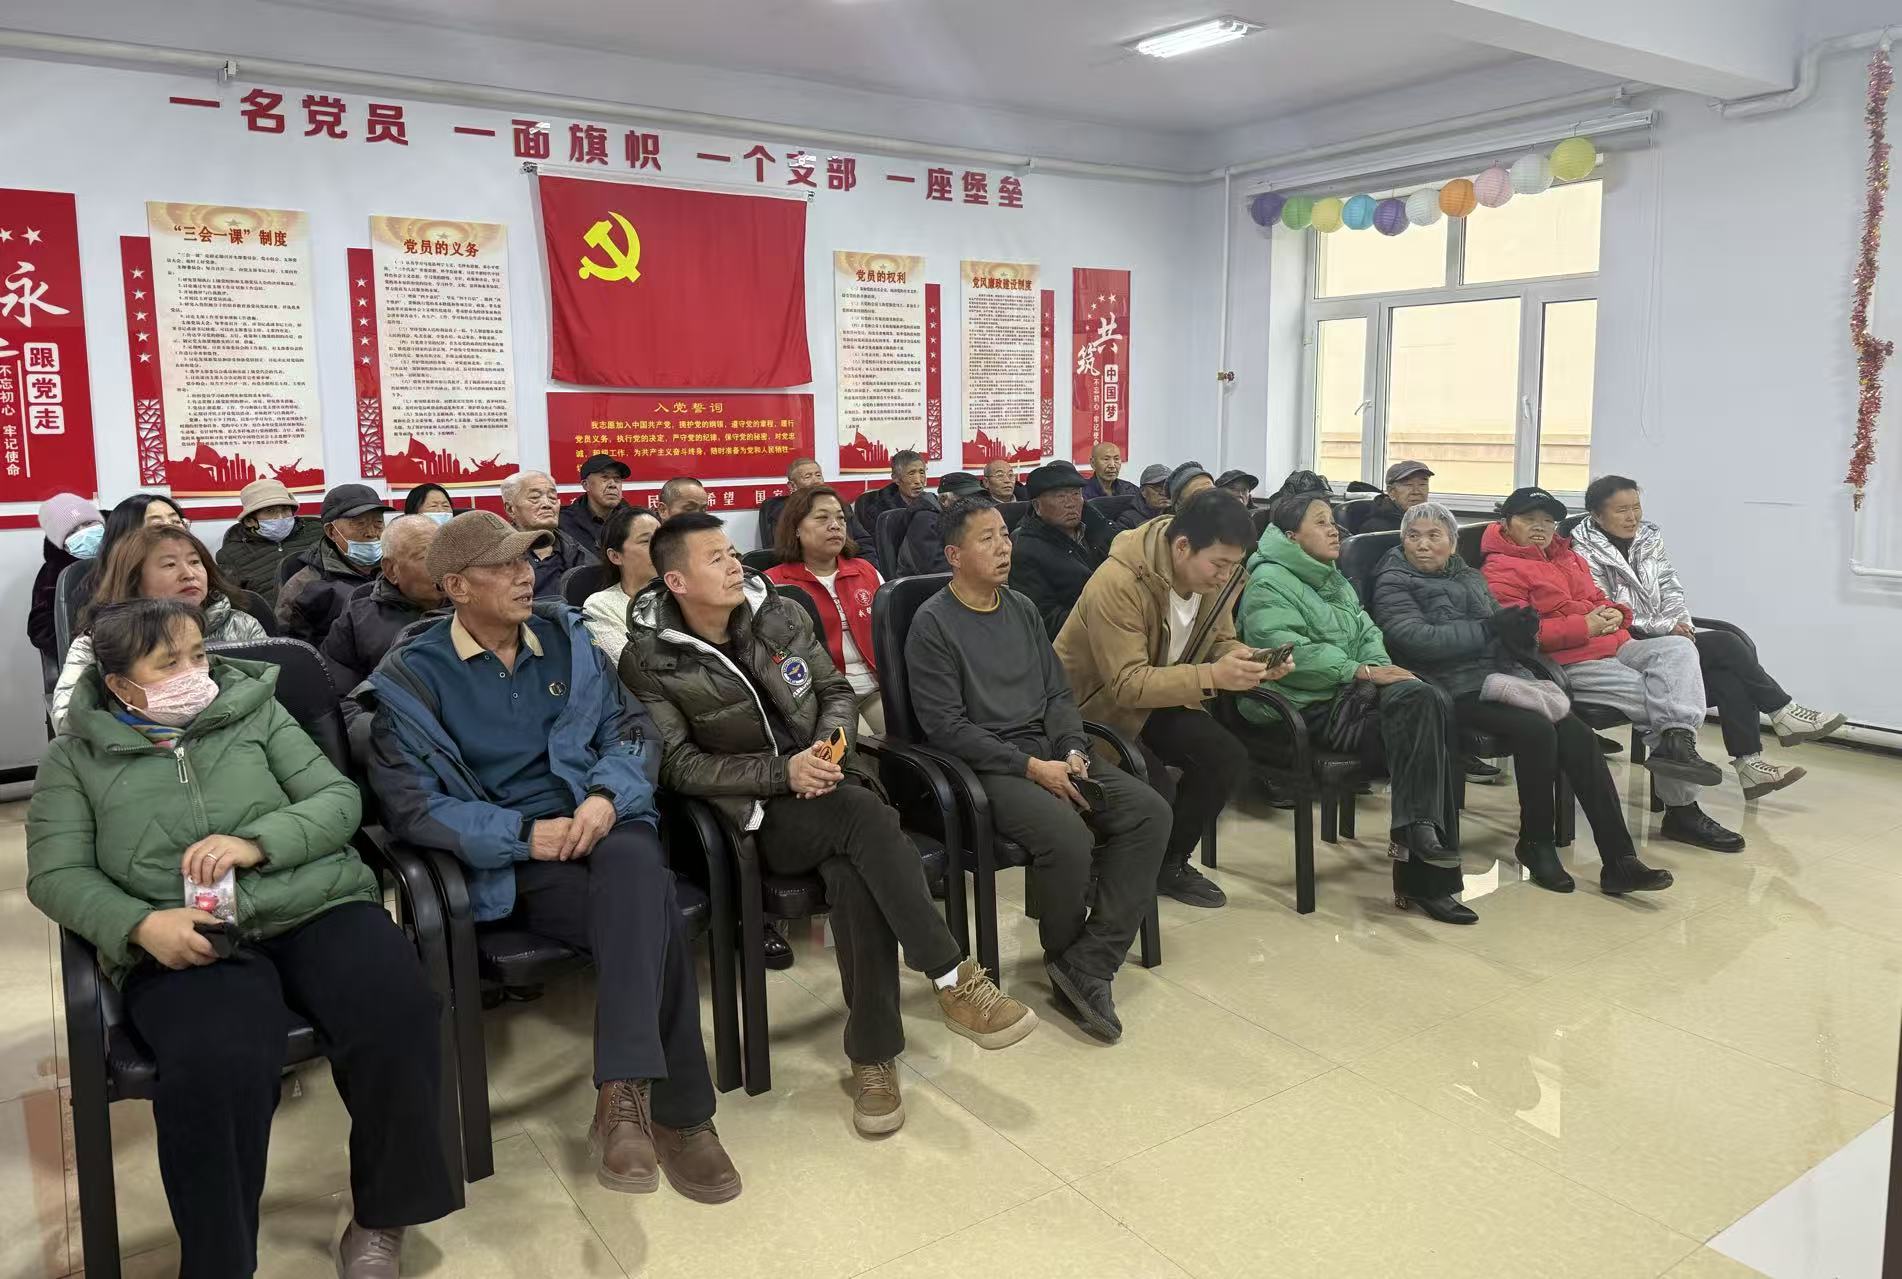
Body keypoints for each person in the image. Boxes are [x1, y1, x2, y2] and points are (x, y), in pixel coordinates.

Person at [29, 597, 459, 1277]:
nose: (194, 673)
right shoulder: (73, 758)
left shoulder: (254, 710)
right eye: (168, 663)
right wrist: (140, 924)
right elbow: (56, 874)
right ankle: (220, 1261)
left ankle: (385, 1215)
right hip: (184, 933)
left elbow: (337, 799)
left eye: (198, 654)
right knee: (217, 1062)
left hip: (312, 901)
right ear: (119, 685)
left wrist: (258, 842)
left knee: (397, 1011)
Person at [365, 511, 740, 1203]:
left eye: (526, 561)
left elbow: (632, 731)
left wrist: (604, 796)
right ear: (456, 586)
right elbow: (414, 807)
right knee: (651, 909)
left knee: (636, 868)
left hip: (605, 821)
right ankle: (683, 1115)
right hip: (518, 854)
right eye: (503, 566)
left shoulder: (568, 639)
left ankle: (623, 1094)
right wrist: (522, 835)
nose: (524, 576)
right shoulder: (412, 678)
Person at [621, 513, 1035, 1136]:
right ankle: (953, 976)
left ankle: (873, 1058)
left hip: (833, 781)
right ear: (676, 581)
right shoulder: (649, 660)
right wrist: (781, 773)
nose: (735, 565)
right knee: (864, 816)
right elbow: (677, 764)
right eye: (716, 558)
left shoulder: (778, 614)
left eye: (732, 552)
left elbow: (837, 691)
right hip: (758, 815)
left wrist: (827, 750)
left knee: (854, 873)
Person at [911, 500, 1170, 1039]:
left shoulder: (1022, 607)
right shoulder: (933, 623)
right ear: (954, 555)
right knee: (1068, 837)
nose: (1004, 547)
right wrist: (1032, 767)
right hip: (989, 766)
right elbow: (946, 727)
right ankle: (1066, 953)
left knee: (1150, 812)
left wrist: (1072, 749)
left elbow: (1057, 693)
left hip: (1052, 749)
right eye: (987, 539)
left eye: (1005, 535)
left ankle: (1089, 961)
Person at [1370, 503, 1674, 897]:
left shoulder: (1469, 576)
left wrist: (1519, 629)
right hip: (1449, 687)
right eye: (1413, 537)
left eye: (1433, 536)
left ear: (1453, 542)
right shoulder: (1394, 580)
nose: (1423, 545)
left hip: (1501, 678)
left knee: (1578, 735)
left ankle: (1620, 860)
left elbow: (1499, 622)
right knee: (1536, 730)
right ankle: (1536, 842)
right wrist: (1489, 630)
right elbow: (1414, 639)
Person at [1238, 493, 1470, 921]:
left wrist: (1378, 668)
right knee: (1427, 733)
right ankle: (1426, 874)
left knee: (1428, 699)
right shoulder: (1268, 581)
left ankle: (1418, 833)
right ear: (1290, 536)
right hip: (1304, 707)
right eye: (1321, 522)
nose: (1334, 530)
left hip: (1349, 696)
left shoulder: (1332, 577)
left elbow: (1367, 632)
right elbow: (1287, 653)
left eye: (1332, 521)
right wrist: (1359, 670)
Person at [1479, 486, 1743, 852]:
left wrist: (1618, 614)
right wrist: (1584, 626)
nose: (1540, 527)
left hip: (1616, 645)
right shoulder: (1499, 570)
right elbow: (1522, 637)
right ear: (1506, 523)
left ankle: (1677, 742)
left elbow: (1601, 598)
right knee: (1659, 701)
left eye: (1548, 521)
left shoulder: (1567, 556)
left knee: (1679, 648)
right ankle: (1683, 811)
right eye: (1529, 519)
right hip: (1569, 661)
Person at [1057, 490, 1278, 909]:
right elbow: (1126, 684)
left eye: (1233, 565)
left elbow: (1218, 640)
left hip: (1160, 693)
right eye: (1219, 564)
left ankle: (1169, 863)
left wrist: (1246, 659)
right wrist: (1213, 676)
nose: (1225, 576)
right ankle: (1102, 869)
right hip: (1092, 711)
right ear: (1182, 547)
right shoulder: (1119, 581)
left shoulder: (1211, 579)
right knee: (1153, 787)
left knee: (1225, 757)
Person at [1572, 475, 1845, 799]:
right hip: (1624, 642)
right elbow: (1607, 607)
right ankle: (1781, 712)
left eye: (1636, 507)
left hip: (1665, 638)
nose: (1632, 517)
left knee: (1730, 675)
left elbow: (1670, 586)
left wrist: (1682, 624)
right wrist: (1665, 627)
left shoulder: (1648, 536)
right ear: (1597, 515)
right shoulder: (1580, 550)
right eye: (1621, 511)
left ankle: (1750, 764)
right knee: (1727, 644)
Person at [53, 525, 267, 733]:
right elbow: (67, 720)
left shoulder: (242, 625)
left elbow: (268, 697)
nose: (188, 574)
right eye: (169, 565)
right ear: (134, 578)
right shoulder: (96, 640)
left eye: (195, 562)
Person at [764, 485, 887, 733]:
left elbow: (890, 636)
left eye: (841, 518)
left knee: (907, 739)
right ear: (796, 528)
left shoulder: (865, 571)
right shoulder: (774, 584)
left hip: (878, 687)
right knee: (862, 747)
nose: (835, 526)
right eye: (822, 518)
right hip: (825, 696)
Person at [322, 514, 447, 690]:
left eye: (445, 553)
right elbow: (339, 692)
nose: (443, 565)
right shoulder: (356, 620)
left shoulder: (473, 605)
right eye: (425, 556)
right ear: (391, 570)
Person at [277, 483, 393, 647]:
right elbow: (293, 649)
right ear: (332, 532)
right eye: (360, 523)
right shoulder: (305, 584)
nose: (372, 533)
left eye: (378, 522)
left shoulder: (397, 570)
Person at [1010, 462, 1115, 638]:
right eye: (1060, 497)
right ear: (1037, 506)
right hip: (1078, 639)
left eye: (1076, 494)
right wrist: (1105, 616)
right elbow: (1045, 620)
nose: (1071, 503)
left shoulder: (1095, 527)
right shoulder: (1026, 551)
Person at [217, 477, 324, 610]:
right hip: (270, 621)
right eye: (270, 511)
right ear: (250, 521)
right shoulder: (230, 555)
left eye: (285, 509)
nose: (280, 517)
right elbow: (233, 604)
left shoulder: (318, 533)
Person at [582, 504, 664, 668]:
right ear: (615, 556)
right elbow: (635, 669)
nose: (660, 547)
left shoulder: (683, 593)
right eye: (646, 541)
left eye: (661, 539)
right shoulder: (599, 606)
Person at [498, 470, 597, 598]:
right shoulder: (496, 556)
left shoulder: (579, 552)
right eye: (535, 498)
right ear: (510, 509)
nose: (547, 504)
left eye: (552, 497)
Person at [30, 493, 100, 661]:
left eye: (89, 523)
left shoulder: (126, 554)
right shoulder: (53, 573)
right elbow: (40, 629)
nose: (84, 533)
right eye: (72, 531)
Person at [895, 471, 988, 576]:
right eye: (965, 501)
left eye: (977, 499)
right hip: (927, 584)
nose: (974, 505)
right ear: (944, 500)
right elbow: (938, 569)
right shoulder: (924, 520)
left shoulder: (966, 519)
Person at [1340, 460, 1433, 535]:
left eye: (1422, 484)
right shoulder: (1377, 529)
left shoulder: (1433, 519)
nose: (1416, 492)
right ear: (1391, 492)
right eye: (1408, 485)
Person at [560, 453, 631, 549]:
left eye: (617, 479)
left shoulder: (632, 520)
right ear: (586, 485)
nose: (613, 485)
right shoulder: (564, 523)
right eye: (605, 478)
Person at [856, 450, 937, 530]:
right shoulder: (873, 506)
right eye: (911, 474)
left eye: (922, 473)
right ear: (896, 478)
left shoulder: (934, 503)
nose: (918, 481)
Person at [756, 456, 823, 549]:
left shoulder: (835, 505)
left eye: (818, 475)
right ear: (792, 486)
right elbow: (781, 548)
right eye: (808, 477)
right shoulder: (782, 512)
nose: (816, 481)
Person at [1115, 463, 1174, 531]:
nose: (1164, 493)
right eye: (1157, 487)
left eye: (1168, 487)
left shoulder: (1180, 514)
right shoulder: (1128, 520)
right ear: (1143, 491)